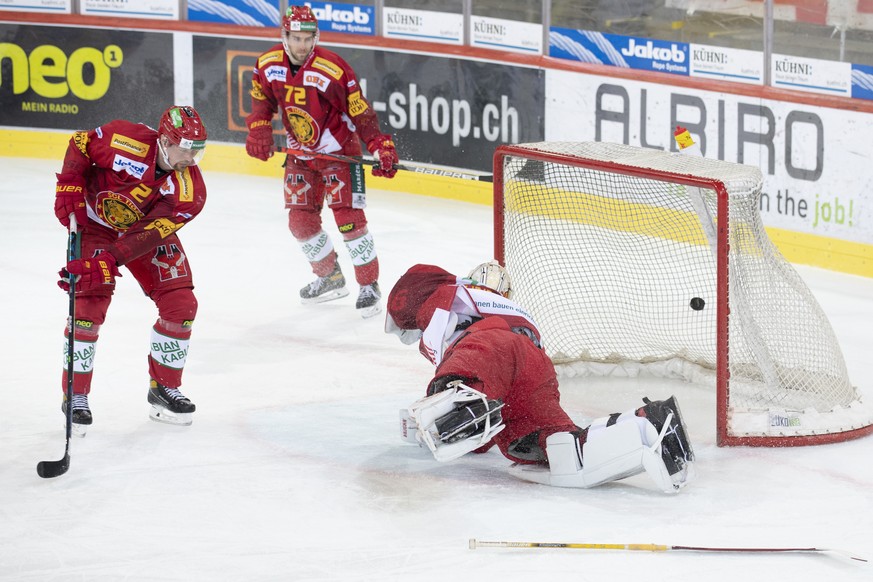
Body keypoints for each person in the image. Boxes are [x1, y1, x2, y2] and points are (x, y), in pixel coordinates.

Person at [385, 262, 696, 493]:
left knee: (466, 394)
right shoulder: (516, 311)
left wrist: (442, 416)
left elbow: (410, 293)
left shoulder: (454, 293)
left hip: (489, 346)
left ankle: (458, 404)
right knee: (561, 449)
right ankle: (650, 424)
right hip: (536, 369)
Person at [53, 105, 209, 435]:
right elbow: (81, 143)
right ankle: (76, 395)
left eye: (199, 150)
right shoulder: (127, 139)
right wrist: (69, 183)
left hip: (141, 236)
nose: (192, 159)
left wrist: (109, 260)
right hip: (96, 224)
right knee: (88, 306)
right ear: (166, 140)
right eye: (187, 149)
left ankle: (164, 387)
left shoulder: (190, 192)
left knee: (181, 304)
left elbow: (149, 236)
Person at [244, 5, 398, 319]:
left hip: (338, 153)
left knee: (350, 220)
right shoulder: (268, 64)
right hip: (300, 155)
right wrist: (258, 127)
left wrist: (380, 146)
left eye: (308, 38)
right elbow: (262, 99)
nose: (302, 45)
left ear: (317, 37)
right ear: (284, 36)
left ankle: (369, 285)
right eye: (296, 38)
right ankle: (330, 277)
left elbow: (360, 112)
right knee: (300, 223)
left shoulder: (333, 69)